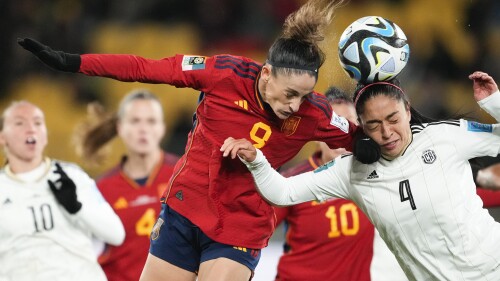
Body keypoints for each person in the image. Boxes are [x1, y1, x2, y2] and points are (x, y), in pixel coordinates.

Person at [17, 0, 357, 280]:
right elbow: (145, 68)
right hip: (184, 211)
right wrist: (74, 63)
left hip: (241, 227)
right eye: (289, 94)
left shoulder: (316, 114)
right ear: (266, 74)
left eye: (304, 96)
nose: (295, 105)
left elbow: (369, 140)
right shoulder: (223, 74)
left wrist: (399, 122)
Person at [225, 71, 500, 280]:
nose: (387, 132)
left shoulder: (445, 136)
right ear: (362, 129)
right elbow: (281, 193)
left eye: (393, 119)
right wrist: (257, 160)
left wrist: (494, 103)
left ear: (407, 110)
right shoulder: (351, 172)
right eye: (374, 125)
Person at [274, 87, 407, 281]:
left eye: (349, 126)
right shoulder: (294, 181)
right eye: (332, 126)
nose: (340, 135)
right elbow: (252, 228)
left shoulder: (378, 175)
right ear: (317, 133)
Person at [0, 101, 125, 281]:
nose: (31, 129)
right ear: (2, 137)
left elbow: (116, 234)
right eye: (20, 123)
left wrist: (77, 208)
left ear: (45, 136)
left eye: (37, 123)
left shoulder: (72, 177)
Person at [74, 90, 179, 281]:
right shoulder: (101, 190)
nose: (143, 129)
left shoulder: (184, 175)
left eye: (151, 121)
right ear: (120, 127)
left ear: (163, 128)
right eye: (135, 121)